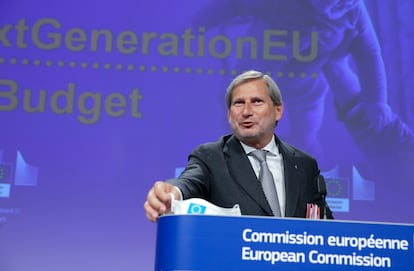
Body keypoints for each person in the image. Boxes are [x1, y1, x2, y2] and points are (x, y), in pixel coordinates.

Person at [144, 70, 333, 222]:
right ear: (229, 114)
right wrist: (172, 192)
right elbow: (188, 182)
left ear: (278, 110)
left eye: (257, 101)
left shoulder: (304, 165)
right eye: (238, 103)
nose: (246, 111)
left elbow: (326, 228)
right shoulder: (210, 158)